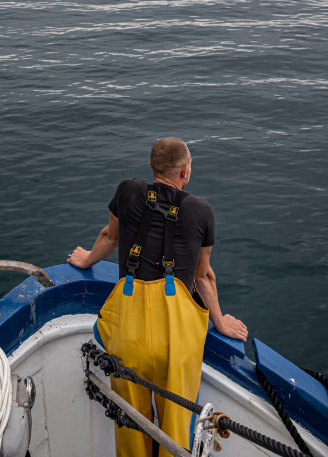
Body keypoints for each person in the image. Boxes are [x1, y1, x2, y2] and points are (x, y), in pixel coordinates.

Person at [68, 137, 248, 456]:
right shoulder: (201, 211)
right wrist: (220, 321)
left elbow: (110, 236)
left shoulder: (126, 190)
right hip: (176, 342)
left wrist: (85, 261)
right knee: (175, 431)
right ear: (186, 171)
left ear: (150, 166)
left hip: (128, 336)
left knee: (131, 422)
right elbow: (203, 275)